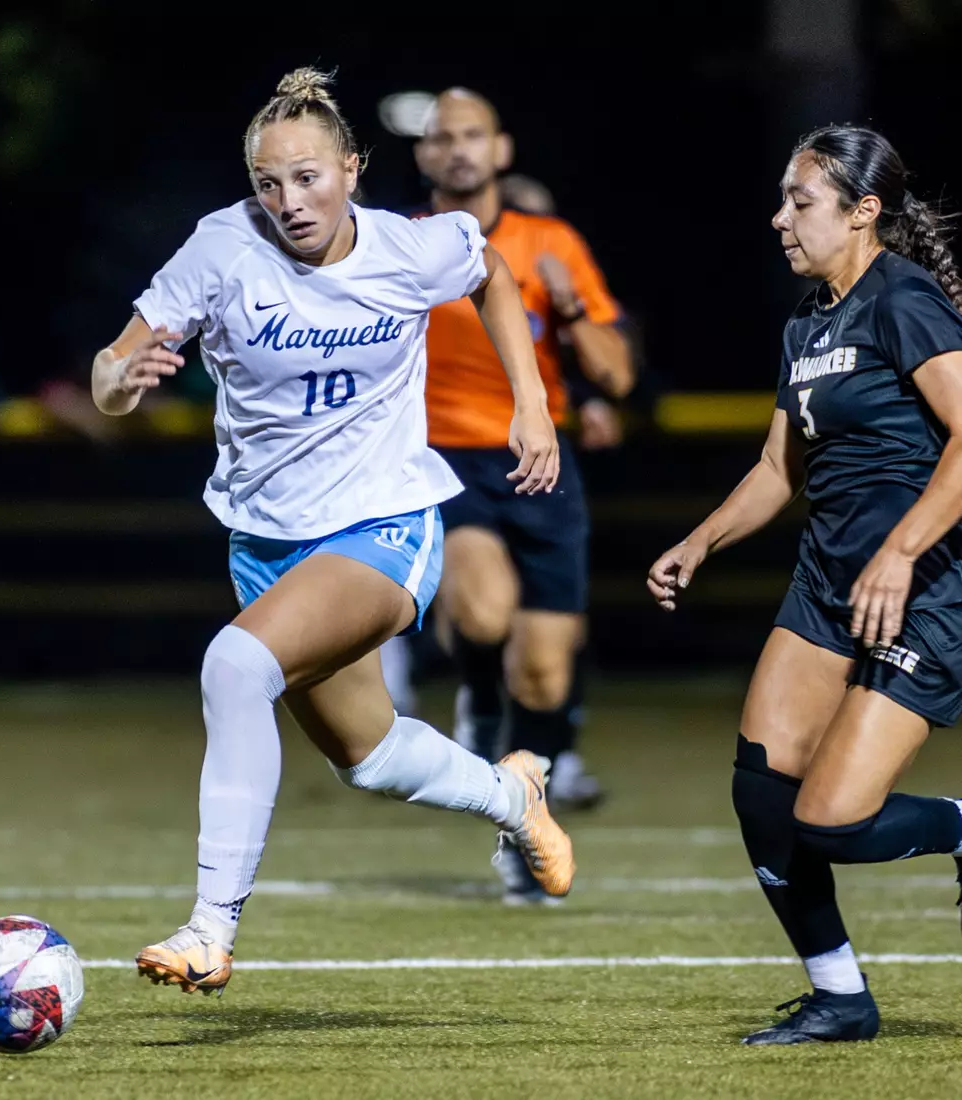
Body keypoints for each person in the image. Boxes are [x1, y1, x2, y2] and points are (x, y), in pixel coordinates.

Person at [90, 67, 575, 997]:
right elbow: (112, 370)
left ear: (353, 168)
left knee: (235, 666)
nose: (290, 201)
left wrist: (532, 403)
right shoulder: (222, 248)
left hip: (386, 522)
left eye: (309, 177)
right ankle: (514, 797)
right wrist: (124, 380)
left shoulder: (407, 248)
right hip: (267, 542)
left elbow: (492, 272)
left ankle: (209, 930)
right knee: (370, 756)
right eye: (269, 184)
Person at [647, 124, 962, 1045]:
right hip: (828, 585)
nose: (780, 218)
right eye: (784, 199)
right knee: (761, 794)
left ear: (864, 212)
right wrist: (699, 542)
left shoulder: (901, 300)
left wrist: (900, 553)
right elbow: (778, 472)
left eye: (801, 202)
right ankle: (839, 997)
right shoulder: (806, 321)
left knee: (831, 820)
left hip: (928, 587)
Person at [404, 88, 635, 903]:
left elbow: (614, 372)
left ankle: (523, 822)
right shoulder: (401, 246)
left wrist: (569, 308)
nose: (459, 149)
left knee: (542, 674)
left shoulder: (550, 242)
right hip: (443, 462)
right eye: (444, 138)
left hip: (541, 463)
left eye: (474, 135)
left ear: (501, 150)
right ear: (424, 155)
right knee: (485, 614)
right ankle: (472, 685)